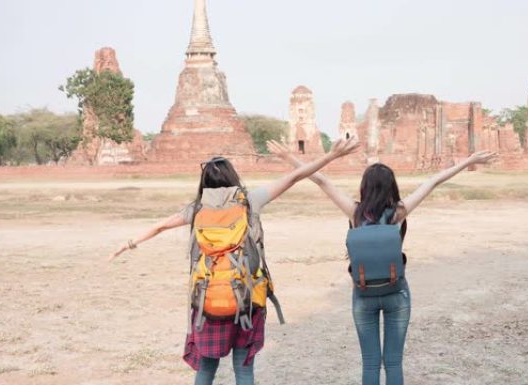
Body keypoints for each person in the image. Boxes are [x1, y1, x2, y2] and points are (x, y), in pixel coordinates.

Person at [109, 137, 360, 385]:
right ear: (232, 177)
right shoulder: (250, 202)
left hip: (208, 302)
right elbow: (294, 177)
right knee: (244, 370)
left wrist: (129, 243)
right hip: (246, 301)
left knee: (206, 370)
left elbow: (161, 225)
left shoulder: (197, 210)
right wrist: (331, 156)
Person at [268, 140, 496, 385]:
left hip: (363, 294)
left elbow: (321, 180)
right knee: (394, 361)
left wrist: (289, 156)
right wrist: (469, 161)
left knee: (370, 361)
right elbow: (433, 181)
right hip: (396, 292)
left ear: (364, 187)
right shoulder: (399, 212)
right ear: (392, 187)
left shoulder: (354, 212)